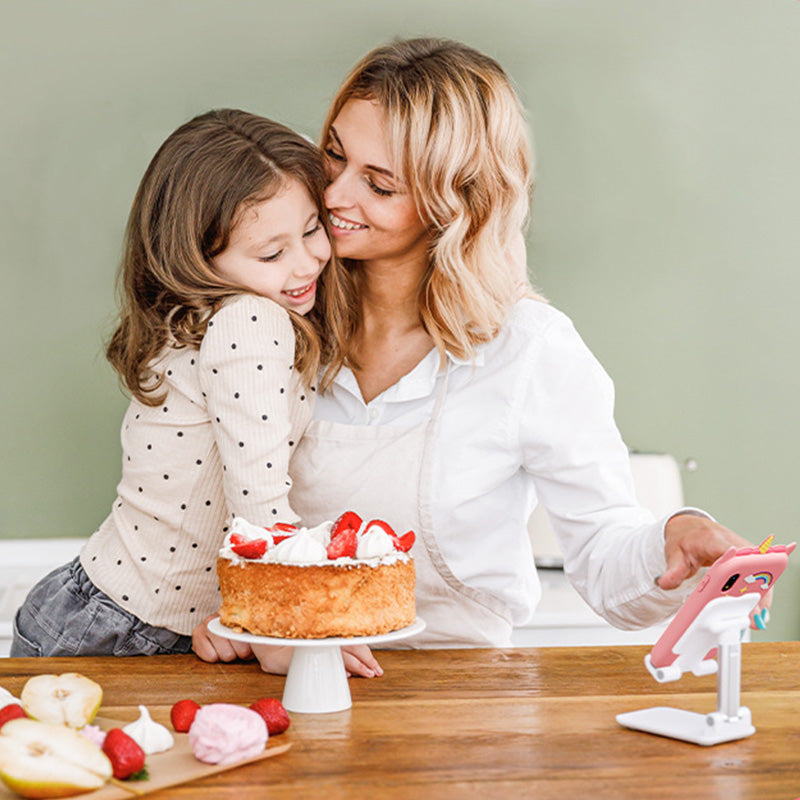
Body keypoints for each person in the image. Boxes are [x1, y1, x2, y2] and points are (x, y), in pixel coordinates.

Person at [193, 39, 767, 676]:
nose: (332, 197)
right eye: (333, 155)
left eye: (379, 184)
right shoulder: (266, 314)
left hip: (457, 698)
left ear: (453, 203)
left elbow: (606, 565)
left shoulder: (528, 349)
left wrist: (675, 537)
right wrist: (210, 611)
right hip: (279, 682)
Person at [11, 108, 354, 658]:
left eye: (312, 228)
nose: (308, 261)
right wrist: (290, 631)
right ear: (201, 260)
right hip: (121, 630)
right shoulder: (250, 321)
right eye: (271, 252)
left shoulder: (213, 317)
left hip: (102, 609)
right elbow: (260, 502)